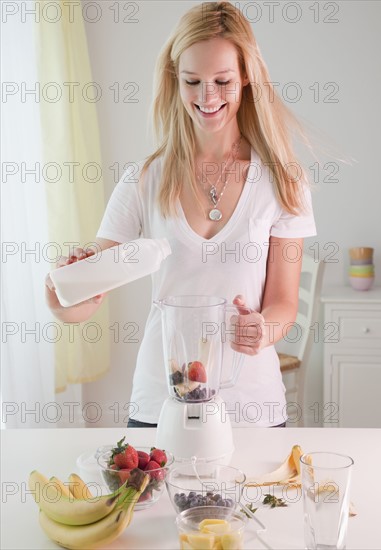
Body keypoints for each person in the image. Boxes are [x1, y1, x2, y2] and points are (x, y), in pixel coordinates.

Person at [46, 1, 316, 428]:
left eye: (222, 81)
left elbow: (282, 302)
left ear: (246, 78)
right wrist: (64, 296)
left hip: (250, 409)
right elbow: (86, 291)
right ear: (175, 81)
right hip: (160, 406)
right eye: (192, 81)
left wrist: (264, 329)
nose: (207, 97)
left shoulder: (282, 181)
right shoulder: (143, 179)